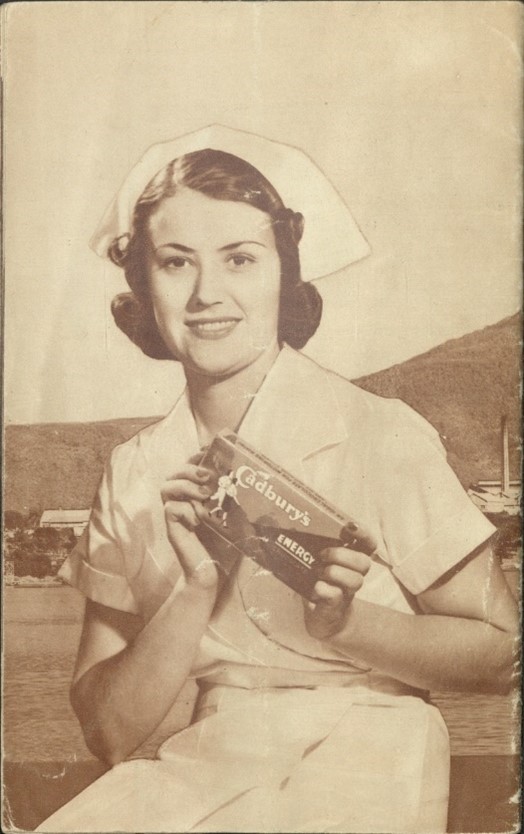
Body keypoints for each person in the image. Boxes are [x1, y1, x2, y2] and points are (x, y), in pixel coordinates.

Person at [38, 125, 518, 833]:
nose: (208, 293)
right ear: (142, 284)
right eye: (175, 263)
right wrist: (194, 591)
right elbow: (108, 733)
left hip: (370, 750)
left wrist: (350, 625)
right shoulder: (135, 470)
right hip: (205, 761)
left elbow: (504, 655)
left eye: (240, 258)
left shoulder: (378, 433)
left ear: (285, 275)